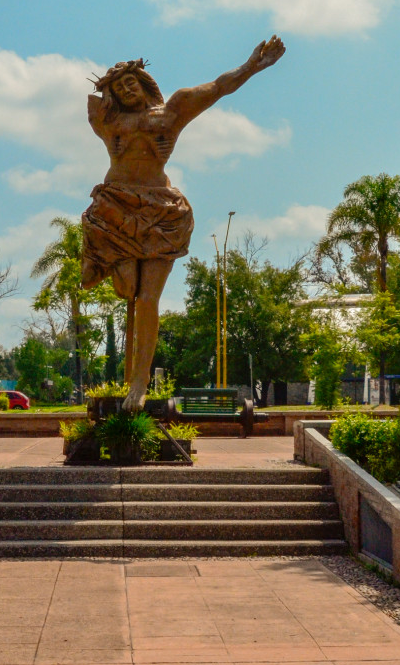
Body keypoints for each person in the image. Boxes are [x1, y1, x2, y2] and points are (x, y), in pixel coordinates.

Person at [82, 36, 285, 409]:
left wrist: (252, 65)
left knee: (147, 298)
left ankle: (140, 382)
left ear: (144, 83)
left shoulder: (171, 112)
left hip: (161, 210)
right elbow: (93, 105)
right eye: (120, 87)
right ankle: (112, 274)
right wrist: (109, 82)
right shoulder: (111, 123)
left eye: (132, 82)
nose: (126, 89)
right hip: (117, 205)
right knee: (126, 288)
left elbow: (217, 89)